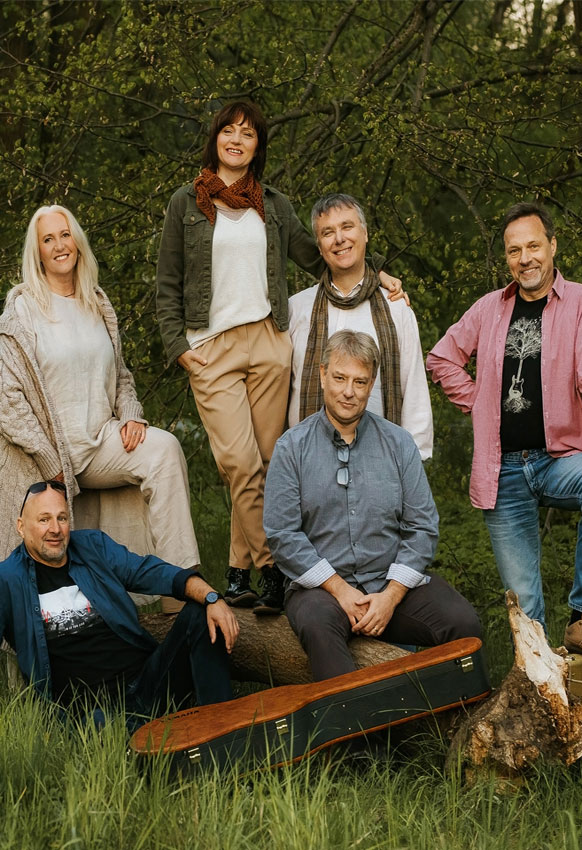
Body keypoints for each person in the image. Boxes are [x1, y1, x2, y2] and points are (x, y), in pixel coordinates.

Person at [155, 100, 405, 616]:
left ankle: (237, 573)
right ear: (215, 139)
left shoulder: (273, 204)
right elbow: (168, 281)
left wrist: (375, 271)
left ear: (257, 146)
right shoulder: (186, 202)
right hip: (211, 347)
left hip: (269, 342)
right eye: (229, 130)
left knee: (268, 464)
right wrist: (178, 347)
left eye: (248, 133)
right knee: (239, 464)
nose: (237, 140)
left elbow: (320, 256)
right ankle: (275, 570)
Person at [0, 205, 201, 615]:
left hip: (101, 441)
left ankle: (181, 596)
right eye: (48, 239)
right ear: (38, 252)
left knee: (165, 450)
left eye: (65, 235)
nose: (59, 245)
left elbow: (120, 374)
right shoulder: (23, 308)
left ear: (77, 242)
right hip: (51, 453)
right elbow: (7, 397)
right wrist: (48, 458)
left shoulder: (96, 301)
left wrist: (131, 412)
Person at [427, 202, 582, 655]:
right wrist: (479, 402)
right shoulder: (489, 309)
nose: (525, 258)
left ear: (553, 246)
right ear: (506, 257)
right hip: (502, 471)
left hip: (562, 459)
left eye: (533, 246)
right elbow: (442, 358)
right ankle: (540, 682)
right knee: (526, 611)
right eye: (514, 250)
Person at [263, 330, 481, 681]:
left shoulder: (399, 443)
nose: (348, 391)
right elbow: (282, 535)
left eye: (360, 381)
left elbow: (422, 526)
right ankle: (355, 717)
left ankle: (456, 711)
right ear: (322, 375)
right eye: (340, 378)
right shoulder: (291, 448)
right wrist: (339, 589)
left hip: (390, 581)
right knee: (319, 627)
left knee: (463, 623)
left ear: (372, 383)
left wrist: (391, 596)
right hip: (321, 590)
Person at [0, 481, 238, 721]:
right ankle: (156, 731)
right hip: (89, 713)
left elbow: (149, 571)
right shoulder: (7, 579)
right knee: (100, 723)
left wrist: (211, 597)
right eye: (44, 520)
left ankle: (222, 726)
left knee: (199, 613)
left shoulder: (93, 547)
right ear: (21, 527)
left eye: (62, 518)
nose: (55, 529)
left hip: (146, 685)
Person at [288, 193, 432, 459]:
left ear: (365, 234)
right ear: (319, 246)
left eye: (347, 227)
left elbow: (414, 390)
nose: (339, 239)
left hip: (381, 461)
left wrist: (416, 458)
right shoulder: (297, 309)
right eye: (328, 232)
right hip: (307, 462)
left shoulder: (396, 308)